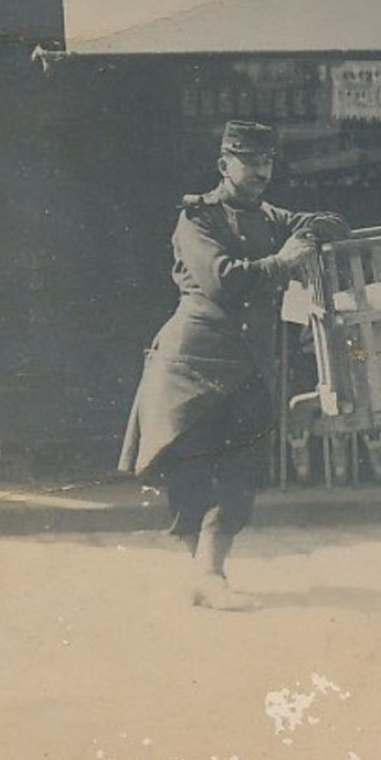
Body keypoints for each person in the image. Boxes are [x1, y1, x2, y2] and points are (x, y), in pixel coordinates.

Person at [119, 122, 349, 610]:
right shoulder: (198, 219)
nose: (261, 172)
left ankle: (208, 573)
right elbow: (225, 282)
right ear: (224, 166)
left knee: (240, 475)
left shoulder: (268, 214)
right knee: (191, 472)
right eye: (250, 162)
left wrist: (311, 229)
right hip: (193, 364)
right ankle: (205, 573)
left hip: (247, 367)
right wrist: (286, 260)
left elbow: (326, 222)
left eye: (267, 162)